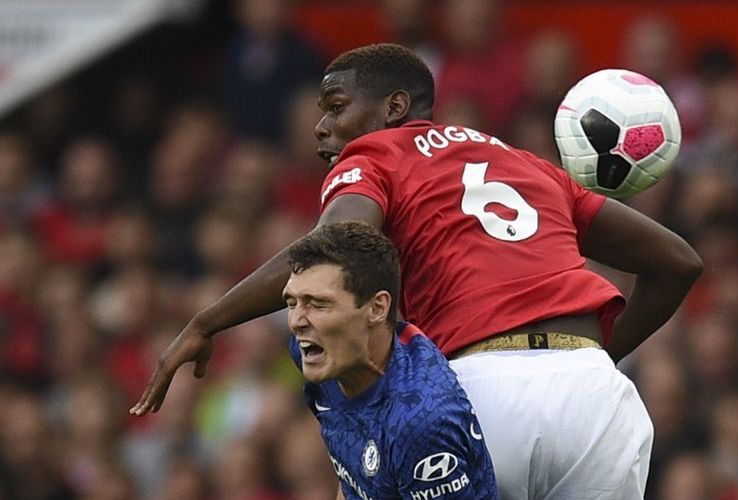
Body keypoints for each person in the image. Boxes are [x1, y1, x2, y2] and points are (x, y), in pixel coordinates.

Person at [130, 43, 703, 499]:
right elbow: (678, 262)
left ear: (394, 109)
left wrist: (206, 320)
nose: (320, 127)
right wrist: (595, 357)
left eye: (335, 107)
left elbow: (336, 244)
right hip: (595, 399)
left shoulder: (377, 154)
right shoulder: (525, 163)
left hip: (484, 392)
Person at [282, 221, 496, 499]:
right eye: (291, 303)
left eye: (318, 304)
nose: (297, 321)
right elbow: (350, 468)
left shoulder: (419, 422)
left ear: (377, 308)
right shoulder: (319, 353)